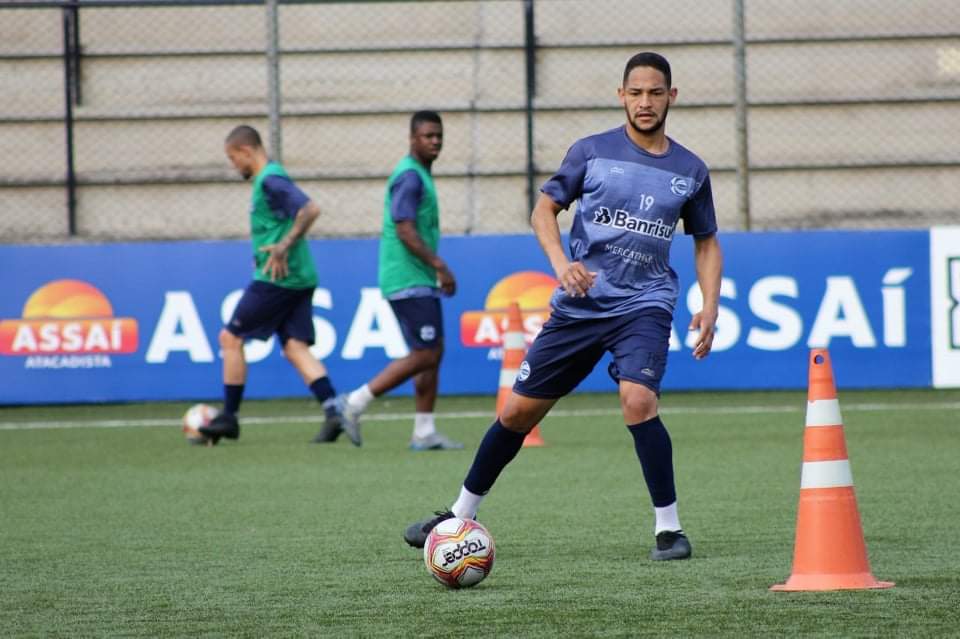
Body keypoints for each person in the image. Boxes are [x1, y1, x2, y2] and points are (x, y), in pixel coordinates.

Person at [402, 52, 723, 560]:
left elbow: (706, 240)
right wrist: (559, 263)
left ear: (671, 97)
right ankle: (460, 515)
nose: (645, 102)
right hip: (580, 304)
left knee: (639, 401)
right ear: (621, 96)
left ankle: (669, 530)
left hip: (645, 302)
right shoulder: (590, 152)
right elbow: (544, 209)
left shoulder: (690, 170)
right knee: (516, 413)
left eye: (655, 92)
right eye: (635, 93)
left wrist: (710, 303)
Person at [199, 125, 358, 446]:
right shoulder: (269, 179)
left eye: (233, 158)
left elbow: (310, 209)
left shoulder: (270, 180)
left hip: (278, 279)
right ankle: (333, 410)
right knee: (294, 346)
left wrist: (283, 245)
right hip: (298, 277)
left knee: (230, 337)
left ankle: (229, 417)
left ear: (246, 151)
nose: (234, 166)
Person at [313, 111, 462, 451]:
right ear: (413, 138)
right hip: (407, 276)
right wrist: (440, 265)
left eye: (439, 135)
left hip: (415, 276)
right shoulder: (409, 177)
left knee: (431, 352)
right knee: (426, 353)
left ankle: (424, 432)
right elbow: (404, 228)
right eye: (428, 135)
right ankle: (354, 402)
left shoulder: (419, 174)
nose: (435, 141)